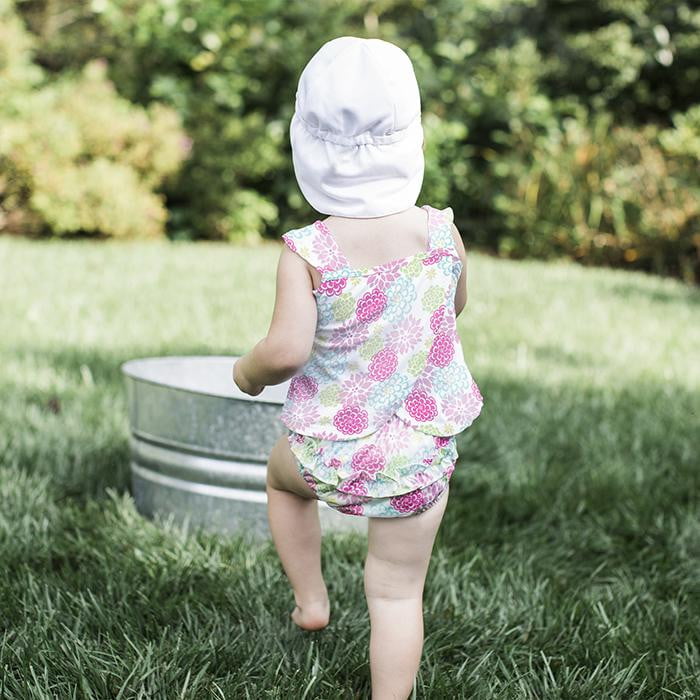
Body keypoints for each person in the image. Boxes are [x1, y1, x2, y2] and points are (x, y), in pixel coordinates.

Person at [233, 35, 484, 700]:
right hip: (417, 458)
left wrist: (247, 373)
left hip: (331, 453)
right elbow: (455, 303)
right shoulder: (441, 232)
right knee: (398, 592)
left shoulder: (309, 250)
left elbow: (284, 351)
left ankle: (311, 598)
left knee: (282, 482)